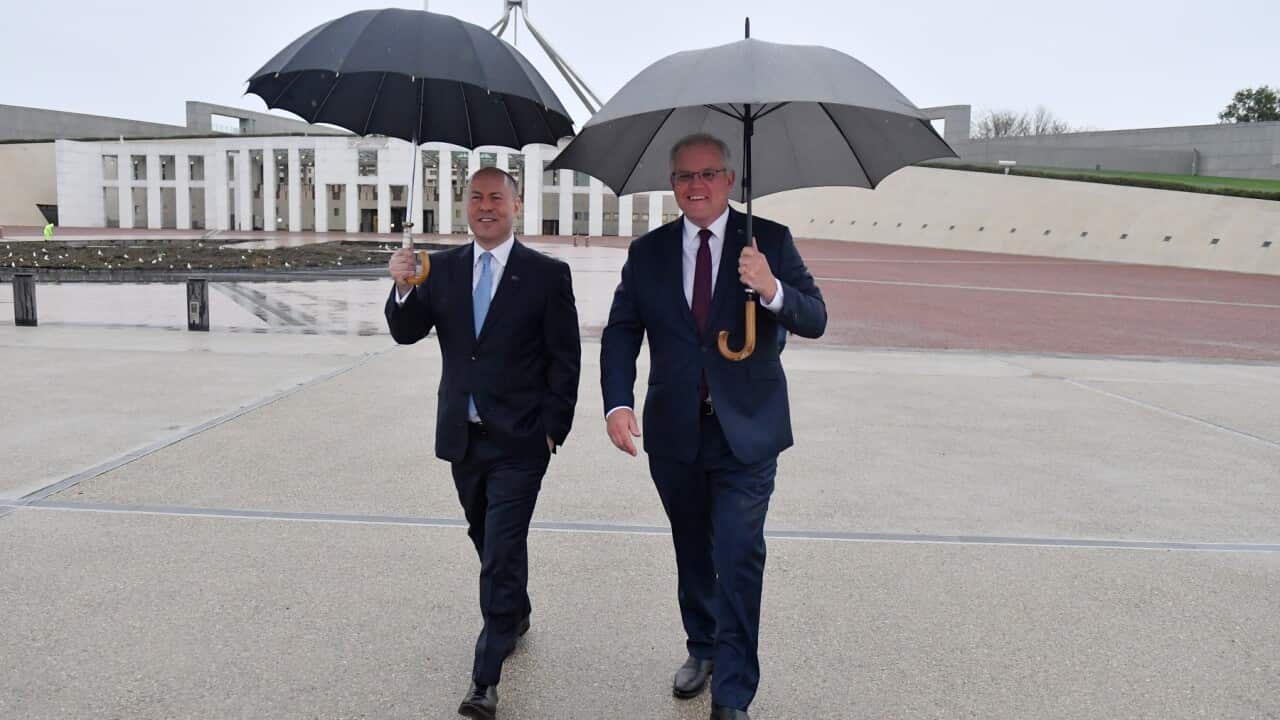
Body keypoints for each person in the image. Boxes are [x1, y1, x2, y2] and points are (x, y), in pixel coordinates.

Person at [600, 134, 826, 720]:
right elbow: (623, 329)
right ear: (672, 183)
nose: (694, 186)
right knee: (692, 547)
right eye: (683, 177)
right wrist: (616, 402)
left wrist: (772, 288)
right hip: (674, 431)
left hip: (746, 432)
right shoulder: (647, 252)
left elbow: (816, 316)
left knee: (739, 551)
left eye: (707, 174)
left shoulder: (767, 240)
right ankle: (701, 646)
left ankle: (732, 692)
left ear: (729, 179)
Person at [386, 166, 581, 720]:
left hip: (521, 442)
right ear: (465, 207)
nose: (486, 206)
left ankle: (484, 679)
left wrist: (551, 430)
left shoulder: (546, 274)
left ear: (516, 205)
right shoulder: (440, 268)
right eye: (476, 198)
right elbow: (405, 332)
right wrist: (402, 285)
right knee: (485, 535)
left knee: (498, 551)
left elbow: (565, 358)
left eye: (497, 197)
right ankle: (514, 611)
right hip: (462, 437)